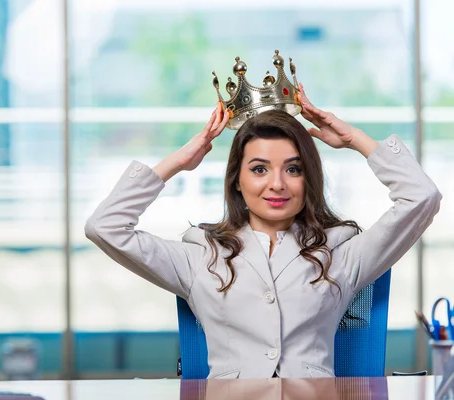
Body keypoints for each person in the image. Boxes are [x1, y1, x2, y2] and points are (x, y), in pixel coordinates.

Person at [84, 84, 442, 379]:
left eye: (293, 169)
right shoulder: (200, 257)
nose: (277, 184)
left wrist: (356, 139)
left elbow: (421, 197)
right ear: (237, 181)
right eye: (259, 169)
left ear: (309, 179)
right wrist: (178, 162)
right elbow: (105, 227)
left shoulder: (341, 254)